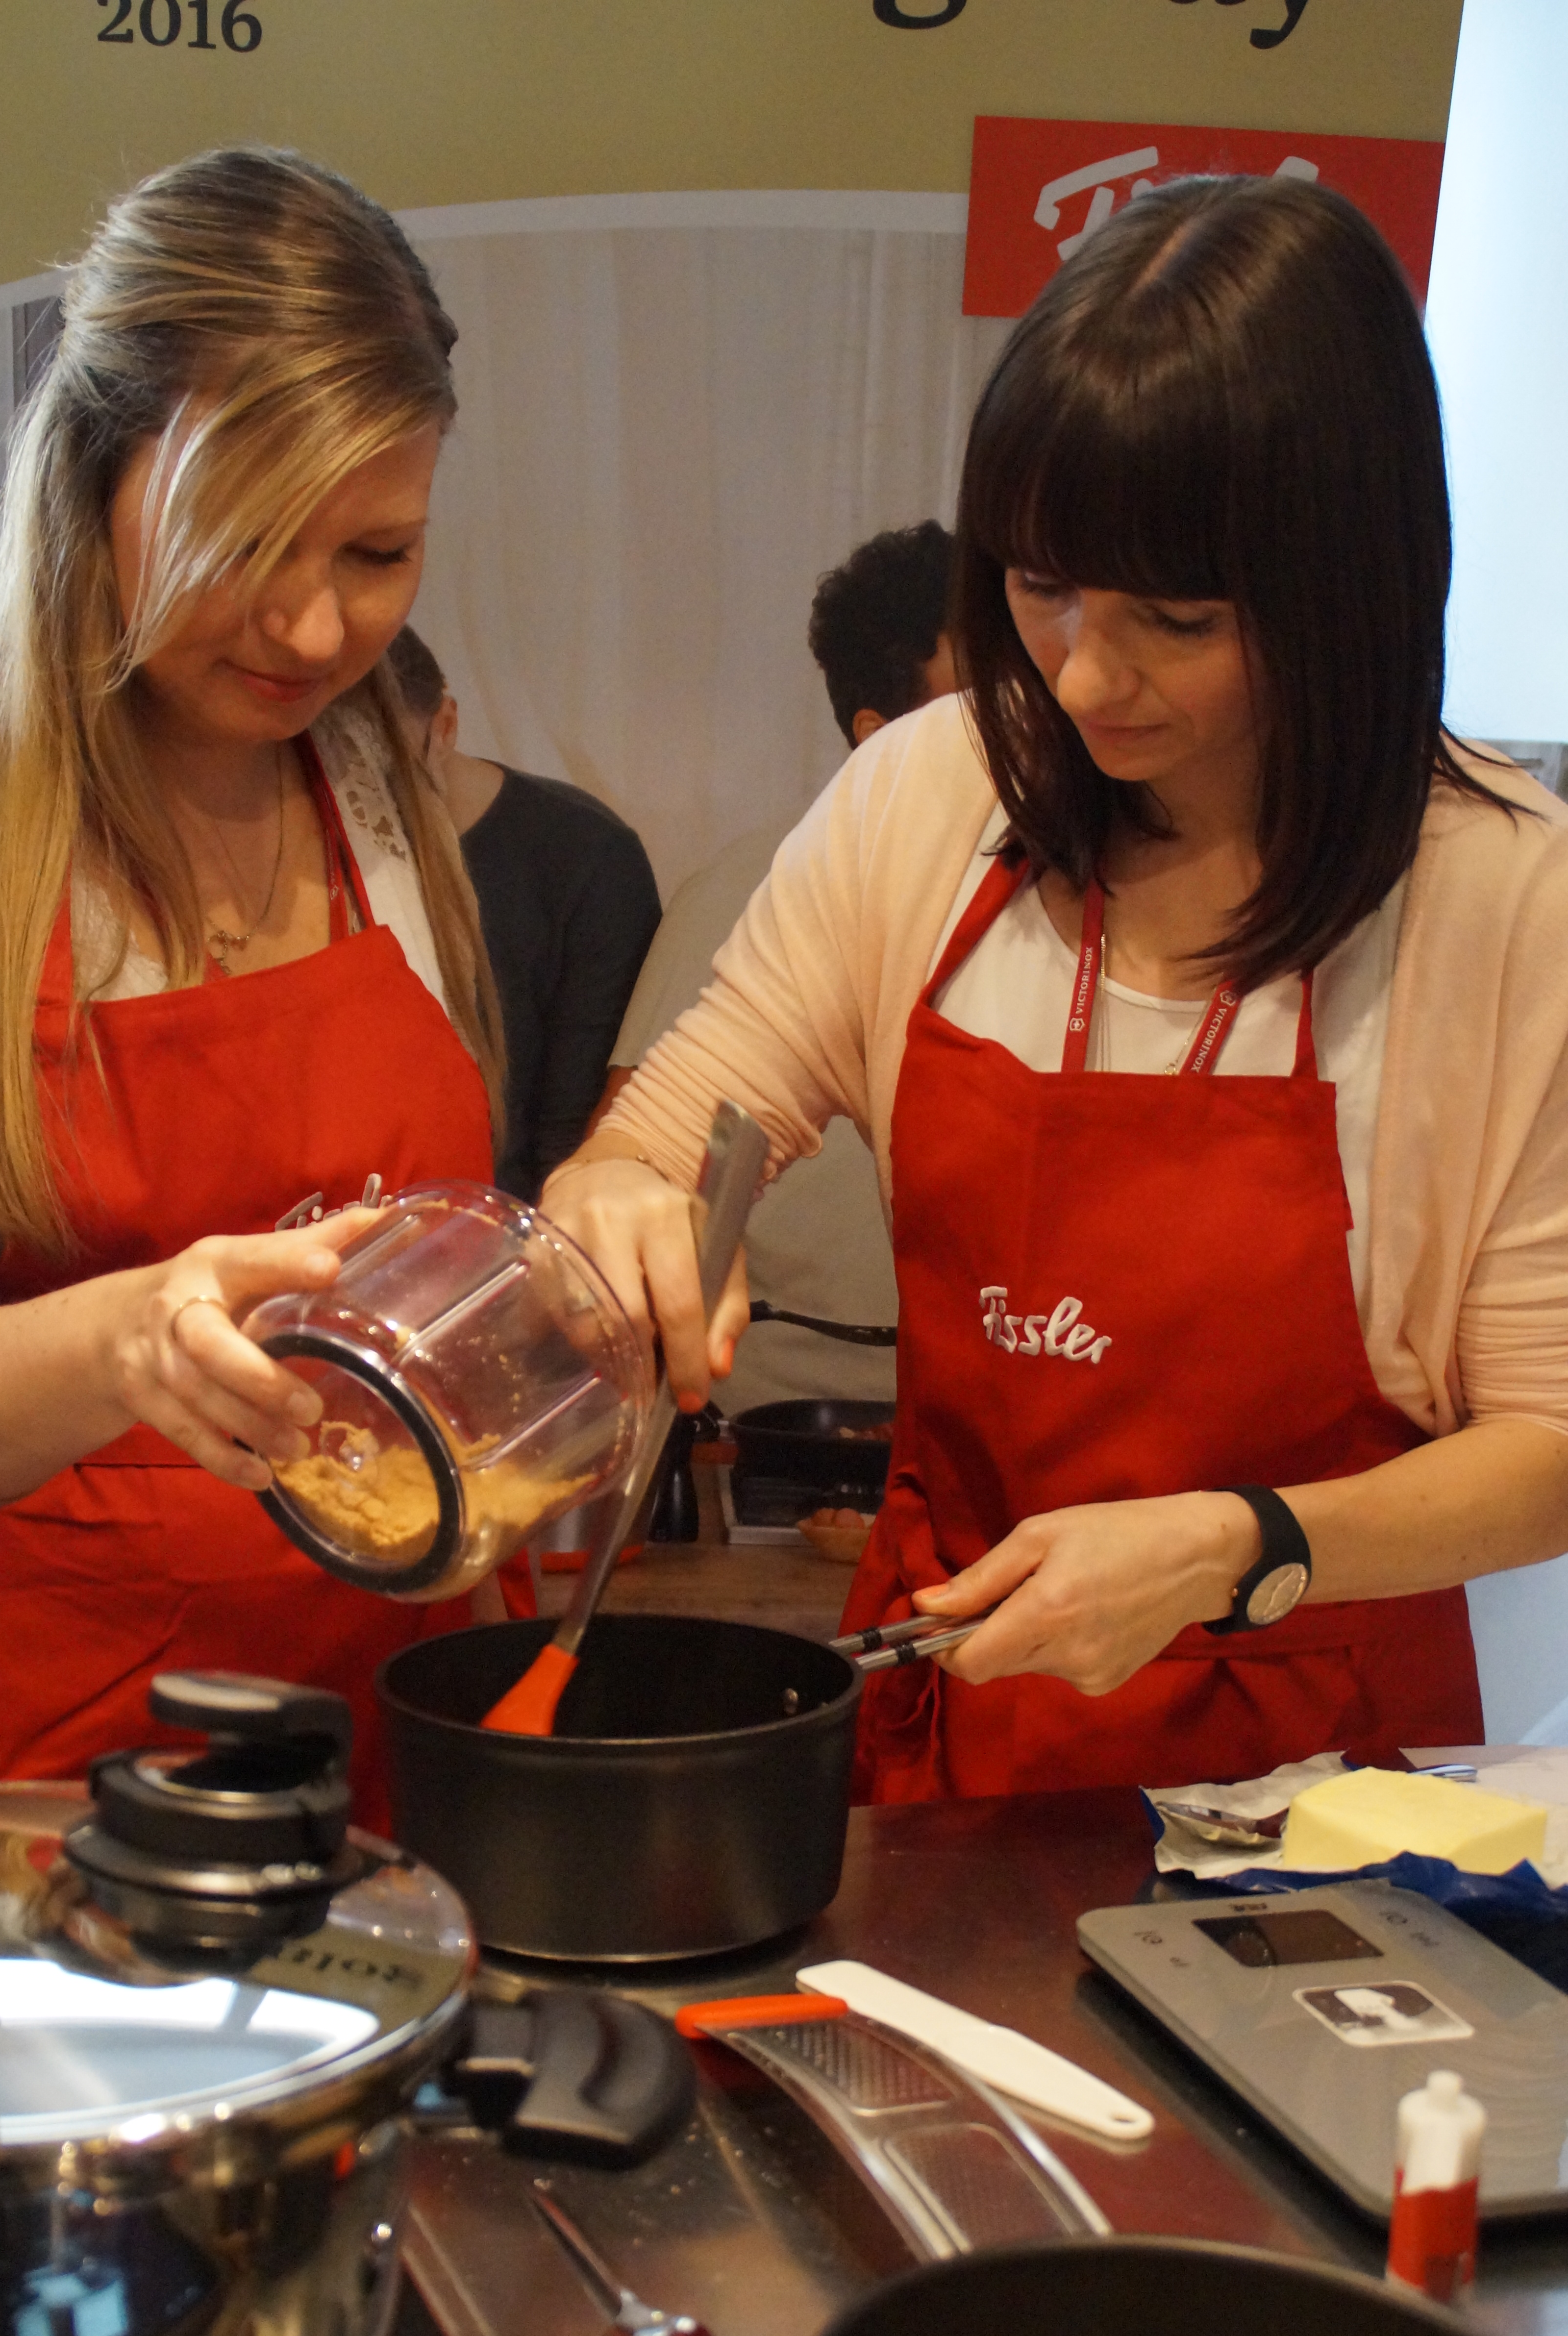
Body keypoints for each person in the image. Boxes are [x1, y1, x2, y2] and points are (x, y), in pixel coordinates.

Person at [542, 175, 1568, 1802]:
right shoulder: (928, 795)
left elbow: (1549, 1446)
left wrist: (1235, 1545)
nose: (1086, 673)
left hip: (1327, 1794)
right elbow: (671, 1131)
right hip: (951, 1732)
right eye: (1039, 587)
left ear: (1347, 587)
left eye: (1176, 617)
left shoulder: (1509, 901)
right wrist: (620, 1202)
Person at [0, 147, 508, 1821]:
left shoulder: (367, 767)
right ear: (94, 472)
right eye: (244, 541)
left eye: (378, 552)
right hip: (15, 1775)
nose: (313, 630)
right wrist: (134, 1337)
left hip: (363, 1731)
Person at [602, 521, 956, 1410]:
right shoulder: (755, 883)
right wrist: (611, 1185)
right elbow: (646, 1141)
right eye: (979, 708)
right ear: (879, 740)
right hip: (774, 1414)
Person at [388, 625, 660, 1201]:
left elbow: (574, 1142)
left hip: (505, 1221)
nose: (354, 804)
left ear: (445, 726)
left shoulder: (585, 856)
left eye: (387, 774)